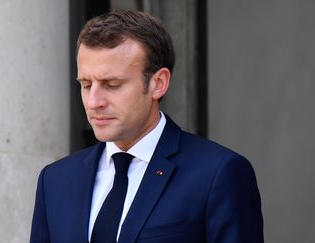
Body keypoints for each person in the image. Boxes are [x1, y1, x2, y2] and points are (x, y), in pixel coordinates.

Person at [30, 9, 263, 243]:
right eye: (86, 84)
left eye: (112, 84)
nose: (93, 102)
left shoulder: (219, 174)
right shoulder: (55, 181)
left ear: (158, 83)